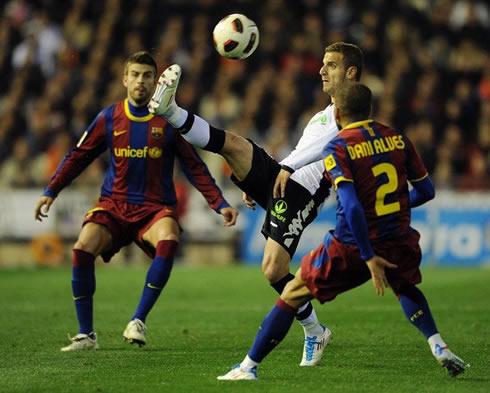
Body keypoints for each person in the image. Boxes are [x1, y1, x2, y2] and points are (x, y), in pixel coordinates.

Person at [216, 81, 467, 380]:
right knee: (404, 287)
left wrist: (367, 254)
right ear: (370, 110)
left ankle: (248, 367)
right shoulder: (398, 140)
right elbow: (426, 191)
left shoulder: (338, 146)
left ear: (336, 116)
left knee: (292, 294)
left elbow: (351, 206)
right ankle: (438, 345)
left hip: (351, 244)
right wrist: (395, 208)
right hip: (398, 237)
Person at [148, 42, 365, 366]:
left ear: (351, 73)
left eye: (331, 65)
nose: (321, 70)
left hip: (301, 195)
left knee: (272, 269)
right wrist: (268, 179)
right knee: (234, 145)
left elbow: (322, 154)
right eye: (322, 64)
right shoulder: (322, 115)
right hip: (284, 179)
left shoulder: (352, 117)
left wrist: (283, 169)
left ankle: (315, 330)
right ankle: (171, 112)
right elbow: (304, 154)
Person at [33, 51, 239, 351]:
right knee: (81, 247)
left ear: (156, 82)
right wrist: (51, 190)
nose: (141, 81)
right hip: (114, 205)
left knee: (169, 238)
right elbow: (78, 156)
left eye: (147, 76)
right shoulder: (109, 117)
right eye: (136, 75)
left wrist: (219, 202)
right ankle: (86, 334)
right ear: (125, 79)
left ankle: (138, 320)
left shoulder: (169, 119)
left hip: (154, 209)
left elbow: (193, 165)